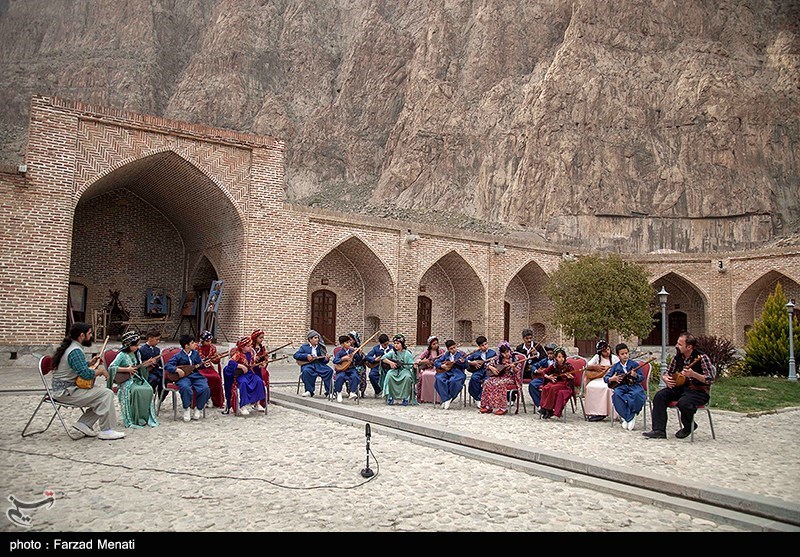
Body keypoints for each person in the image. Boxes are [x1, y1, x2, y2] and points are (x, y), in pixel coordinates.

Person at [50, 322, 125, 440]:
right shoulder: (75, 351)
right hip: (66, 392)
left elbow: (77, 367)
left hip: (67, 389)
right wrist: (100, 371)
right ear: (81, 335)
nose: (91, 336)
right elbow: (85, 374)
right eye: (89, 333)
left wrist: (89, 363)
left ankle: (84, 423)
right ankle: (107, 430)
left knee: (101, 395)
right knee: (106, 394)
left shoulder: (71, 347)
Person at [643, 332, 715, 439]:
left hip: (698, 391)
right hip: (681, 388)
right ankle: (659, 430)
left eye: (680, 344)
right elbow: (667, 372)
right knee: (659, 396)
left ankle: (688, 426)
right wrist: (665, 378)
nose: (677, 346)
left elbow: (710, 379)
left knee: (684, 403)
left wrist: (693, 374)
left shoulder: (702, 358)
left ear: (689, 347)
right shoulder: (678, 357)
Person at [107, 330, 158, 428]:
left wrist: (147, 363)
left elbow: (139, 367)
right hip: (126, 381)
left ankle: (143, 417)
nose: (137, 347)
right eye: (135, 345)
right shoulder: (121, 355)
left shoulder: (137, 353)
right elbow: (111, 367)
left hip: (137, 378)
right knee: (137, 391)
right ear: (128, 345)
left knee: (149, 389)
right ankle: (133, 419)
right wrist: (127, 369)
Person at [164, 334, 212, 423]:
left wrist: (205, 365)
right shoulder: (178, 356)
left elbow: (198, 366)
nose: (195, 344)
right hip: (184, 377)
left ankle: (198, 408)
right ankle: (187, 408)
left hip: (196, 376)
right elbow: (168, 366)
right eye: (193, 343)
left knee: (205, 388)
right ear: (186, 345)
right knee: (185, 388)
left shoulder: (195, 354)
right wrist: (177, 369)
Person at [604, 343, 646, 431]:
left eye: (626, 353)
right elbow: (606, 378)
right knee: (616, 395)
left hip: (634, 386)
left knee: (636, 394)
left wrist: (635, 376)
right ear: (618, 355)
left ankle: (630, 415)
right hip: (621, 386)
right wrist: (612, 378)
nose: (625, 356)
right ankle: (629, 417)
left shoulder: (634, 364)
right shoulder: (616, 366)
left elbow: (641, 377)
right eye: (622, 354)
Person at [223, 336, 267, 415]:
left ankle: (257, 403)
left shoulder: (251, 353)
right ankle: (243, 405)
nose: (250, 347)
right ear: (242, 347)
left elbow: (252, 364)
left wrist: (260, 365)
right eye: (248, 346)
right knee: (243, 383)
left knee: (259, 381)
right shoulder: (238, 354)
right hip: (241, 375)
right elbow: (231, 363)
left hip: (250, 373)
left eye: (250, 345)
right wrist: (241, 366)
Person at [479, 342, 524, 415]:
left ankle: (503, 407)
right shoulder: (498, 358)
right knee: (487, 382)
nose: (506, 354)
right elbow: (488, 364)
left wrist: (513, 367)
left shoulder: (515, 358)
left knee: (499, 383)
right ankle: (488, 406)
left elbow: (517, 371)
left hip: (510, 378)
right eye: (504, 353)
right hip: (500, 376)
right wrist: (491, 367)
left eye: (508, 352)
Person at [583, 340, 619, 422]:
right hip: (597, 378)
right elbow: (587, 366)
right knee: (590, 387)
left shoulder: (614, 358)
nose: (607, 352)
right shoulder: (597, 357)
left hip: (610, 379)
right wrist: (595, 367)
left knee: (605, 388)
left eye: (608, 349)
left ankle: (605, 412)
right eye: (604, 351)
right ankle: (593, 412)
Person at [294, 330, 334, 398]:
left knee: (329, 370)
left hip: (319, 364)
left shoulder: (320, 347)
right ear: (310, 339)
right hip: (308, 365)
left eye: (317, 338)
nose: (317, 339)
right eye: (315, 338)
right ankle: (309, 391)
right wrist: (306, 356)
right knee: (306, 371)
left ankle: (329, 392)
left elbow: (323, 361)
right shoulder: (304, 347)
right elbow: (296, 355)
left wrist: (326, 359)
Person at [538, 347, 575, 419]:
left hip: (564, 384)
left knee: (552, 388)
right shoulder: (554, 365)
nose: (561, 359)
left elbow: (574, 377)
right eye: (559, 357)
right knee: (546, 387)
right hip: (556, 382)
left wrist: (570, 377)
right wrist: (548, 377)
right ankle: (545, 408)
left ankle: (547, 408)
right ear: (556, 358)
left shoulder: (568, 366)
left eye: (563, 357)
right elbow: (543, 372)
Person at [380, 334, 416, 406]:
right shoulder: (392, 352)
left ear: (402, 344)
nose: (396, 345)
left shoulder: (407, 353)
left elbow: (411, 364)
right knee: (389, 375)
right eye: (395, 343)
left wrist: (414, 365)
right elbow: (383, 358)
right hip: (395, 370)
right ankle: (390, 396)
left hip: (404, 370)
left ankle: (405, 397)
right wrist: (390, 363)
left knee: (407, 377)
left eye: (398, 343)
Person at [433, 339, 468, 410]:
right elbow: (436, 362)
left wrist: (463, 362)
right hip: (446, 372)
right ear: (448, 349)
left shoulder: (461, 354)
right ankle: (447, 399)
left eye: (454, 347)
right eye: (451, 349)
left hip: (458, 372)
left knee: (454, 381)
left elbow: (466, 365)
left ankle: (447, 399)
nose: (453, 350)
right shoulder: (446, 355)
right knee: (439, 378)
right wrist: (441, 366)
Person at [197, 330, 226, 409]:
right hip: (198, 368)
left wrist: (217, 359)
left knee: (216, 378)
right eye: (207, 341)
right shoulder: (196, 347)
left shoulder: (213, 348)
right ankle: (204, 398)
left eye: (210, 341)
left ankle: (216, 400)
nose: (209, 343)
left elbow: (215, 361)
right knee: (203, 378)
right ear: (202, 340)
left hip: (208, 368)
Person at [332, 334, 363, 403]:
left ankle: (352, 391)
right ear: (342, 344)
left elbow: (358, 360)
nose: (349, 344)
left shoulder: (352, 351)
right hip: (342, 370)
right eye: (347, 342)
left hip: (351, 369)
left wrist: (359, 353)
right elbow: (335, 361)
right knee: (340, 377)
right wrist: (343, 358)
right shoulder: (340, 353)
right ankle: (338, 392)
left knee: (355, 376)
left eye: (349, 342)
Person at [414, 336, 445, 403]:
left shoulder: (441, 351)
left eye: (437, 343)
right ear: (430, 345)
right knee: (424, 375)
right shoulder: (427, 352)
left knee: (436, 376)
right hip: (428, 369)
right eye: (433, 344)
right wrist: (424, 361)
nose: (436, 345)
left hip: (438, 369)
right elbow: (419, 359)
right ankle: (425, 398)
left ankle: (437, 399)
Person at [466, 336, 496, 405]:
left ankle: (483, 398)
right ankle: (477, 398)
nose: (485, 346)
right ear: (479, 346)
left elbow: (497, 361)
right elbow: (467, 360)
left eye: (486, 344)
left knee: (487, 381)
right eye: (482, 345)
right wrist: (472, 363)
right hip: (479, 370)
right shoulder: (476, 353)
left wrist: (492, 362)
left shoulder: (492, 353)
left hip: (489, 371)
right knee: (474, 378)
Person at [138, 329, 164, 400]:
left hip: (156, 370)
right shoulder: (141, 350)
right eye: (157, 339)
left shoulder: (157, 350)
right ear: (150, 339)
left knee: (165, 378)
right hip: (146, 372)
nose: (158, 342)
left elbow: (160, 363)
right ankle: (149, 396)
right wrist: (148, 362)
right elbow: (138, 363)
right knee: (153, 379)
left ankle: (161, 396)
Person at [528, 343, 556, 410]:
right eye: (548, 353)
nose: (549, 355)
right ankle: (539, 405)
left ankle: (552, 406)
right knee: (532, 384)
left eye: (551, 353)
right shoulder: (545, 360)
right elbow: (533, 366)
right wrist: (536, 371)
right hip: (544, 378)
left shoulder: (558, 361)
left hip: (554, 379)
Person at [250, 329, 270, 408]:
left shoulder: (263, 348)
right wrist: (254, 359)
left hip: (259, 368)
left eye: (263, 338)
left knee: (264, 374)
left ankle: (260, 401)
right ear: (255, 338)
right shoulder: (250, 347)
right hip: (251, 368)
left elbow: (266, 359)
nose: (262, 340)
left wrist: (264, 363)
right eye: (260, 338)